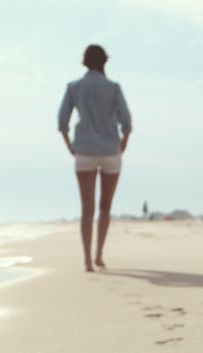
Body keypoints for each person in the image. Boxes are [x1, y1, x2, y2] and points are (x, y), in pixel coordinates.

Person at [58, 44, 132, 271]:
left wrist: (70, 146)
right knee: (105, 208)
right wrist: (122, 145)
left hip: (84, 151)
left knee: (87, 209)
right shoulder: (113, 88)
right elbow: (127, 122)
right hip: (111, 149)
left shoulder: (74, 87)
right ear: (104, 62)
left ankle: (87, 261)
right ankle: (99, 254)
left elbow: (62, 122)